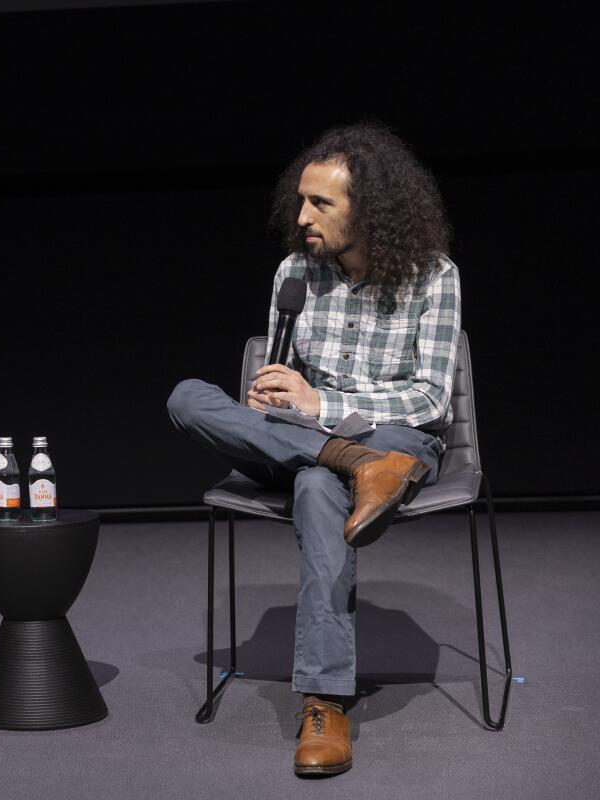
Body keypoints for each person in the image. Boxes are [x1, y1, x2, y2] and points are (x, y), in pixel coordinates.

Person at [167, 122, 461, 776]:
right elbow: (276, 380)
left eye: (320, 204)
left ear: (371, 210)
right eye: (300, 200)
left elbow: (432, 401)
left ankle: (324, 700)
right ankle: (359, 469)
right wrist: (272, 402)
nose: (301, 217)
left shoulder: (433, 276)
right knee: (187, 396)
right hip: (316, 442)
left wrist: (320, 407)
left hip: (396, 439)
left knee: (314, 486)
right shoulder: (295, 273)